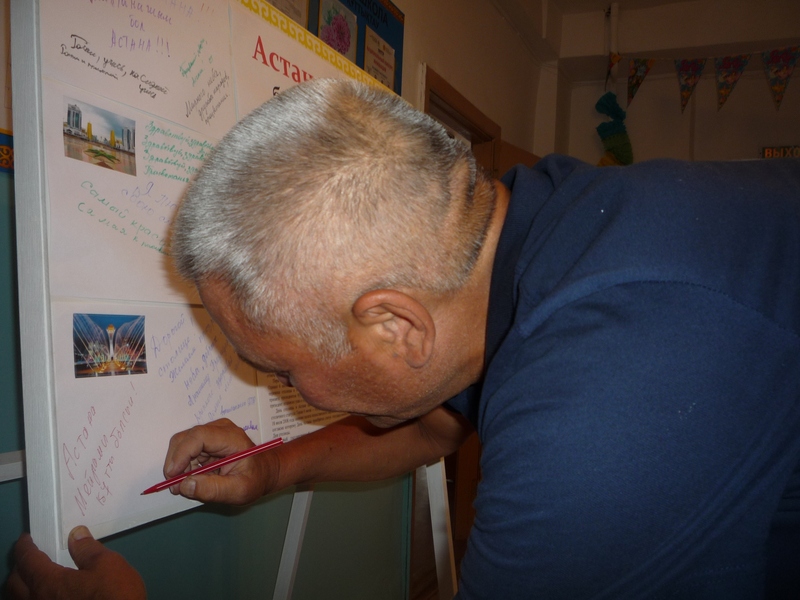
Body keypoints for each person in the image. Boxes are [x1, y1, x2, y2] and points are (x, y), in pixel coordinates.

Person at [6, 78, 800, 599]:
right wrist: (273, 467)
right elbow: (435, 424)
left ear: (394, 325)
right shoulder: (511, 234)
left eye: (282, 371)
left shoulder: (605, 402)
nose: (286, 391)